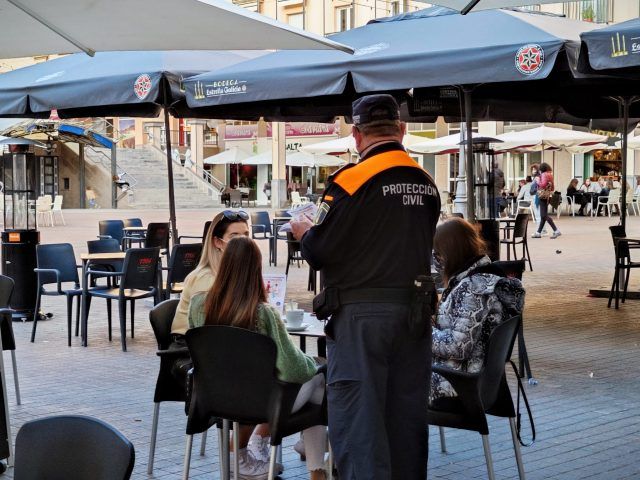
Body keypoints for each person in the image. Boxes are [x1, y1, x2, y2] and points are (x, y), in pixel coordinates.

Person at [291, 94, 440, 479]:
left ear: (356, 135)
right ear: (402, 130)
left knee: (360, 424)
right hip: (414, 315)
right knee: (405, 422)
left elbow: (320, 250)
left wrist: (304, 232)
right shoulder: (426, 183)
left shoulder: (351, 180)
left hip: (361, 319)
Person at [189, 236, 328, 480]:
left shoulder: (198, 305)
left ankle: (311, 460)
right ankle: (316, 467)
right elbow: (293, 370)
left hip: (216, 398)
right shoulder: (263, 314)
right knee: (320, 381)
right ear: (256, 269)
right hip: (261, 404)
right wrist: (315, 364)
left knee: (315, 384)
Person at [430, 218, 525, 402]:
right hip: (485, 383)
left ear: (449, 253)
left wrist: (421, 331)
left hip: (457, 385)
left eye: (438, 254)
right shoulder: (488, 278)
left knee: (391, 379)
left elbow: (457, 347)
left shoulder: (473, 289)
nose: (437, 261)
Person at [532, 162, 561, 239]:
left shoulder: (544, 174)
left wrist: (538, 181)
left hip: (542, 196)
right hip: (547, 195)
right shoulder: (550, 174)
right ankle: (538, 232)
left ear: (542, 169)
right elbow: (552, 187)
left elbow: (543, 185)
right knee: (543, 216)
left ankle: (556, 230)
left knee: (544, 215)